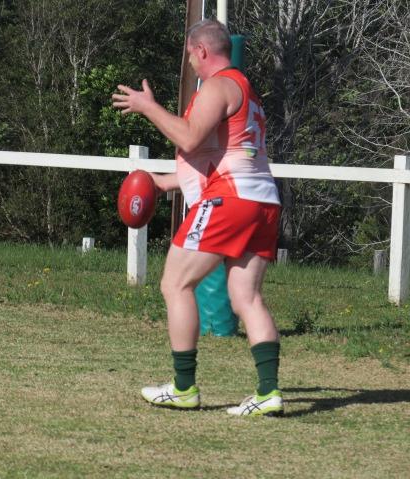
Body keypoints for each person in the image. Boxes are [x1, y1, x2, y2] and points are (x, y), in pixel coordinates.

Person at [112, 19, 283, 417]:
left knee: (175, 283)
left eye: (190, 54)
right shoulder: (245, 90)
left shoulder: (219, 85)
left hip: (232, 200)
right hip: (262, 200)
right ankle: (268, 391)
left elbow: (188, 138)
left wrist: (148, 107)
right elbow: (213, 161)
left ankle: (184, 387)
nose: (190, 62)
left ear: (202, 51)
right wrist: (163, 183)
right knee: (247, 297)